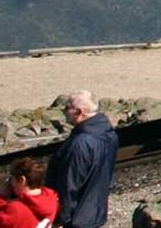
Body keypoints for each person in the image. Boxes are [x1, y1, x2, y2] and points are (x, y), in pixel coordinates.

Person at [45, 90, 116, 228]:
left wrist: (61, 219)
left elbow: (70, 184)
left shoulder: (80, 143)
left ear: (79, 112)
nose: (64, 112)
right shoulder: (109, 134)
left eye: (67, 108)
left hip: (77, 218)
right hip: (95, 209)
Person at [0, 157, 58, 228]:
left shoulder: (15, 210)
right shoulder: (52, 199)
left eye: (13, 179)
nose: (11, 183)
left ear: (22, 180)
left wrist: (0, 197)